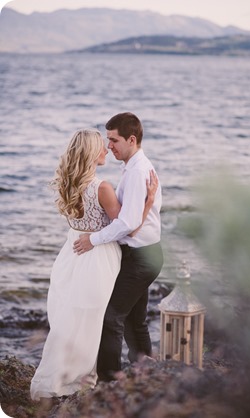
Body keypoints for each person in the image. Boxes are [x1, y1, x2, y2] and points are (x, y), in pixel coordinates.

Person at [30, 129, 157, 401]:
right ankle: (93, 379)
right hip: (99, 258)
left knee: (72, 320)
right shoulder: (102, 188)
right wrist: (148, 202)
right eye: (101, 146)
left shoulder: (68, 183)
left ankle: (64, 376)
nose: (106, 150)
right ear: (90, 153)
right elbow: (128, 229)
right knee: (94, 320)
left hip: (71, 255)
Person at [73, 112, 164, 382]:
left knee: (111, 317)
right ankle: (144, 372)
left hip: (141, 258)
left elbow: (125, 223)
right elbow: (134, 220)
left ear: (131, 139)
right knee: (135, 321)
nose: (108, 145)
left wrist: (92, 239)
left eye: (113, 140)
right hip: (143, 253)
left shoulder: (137, 172)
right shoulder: (134, 167)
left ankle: (110, 380)